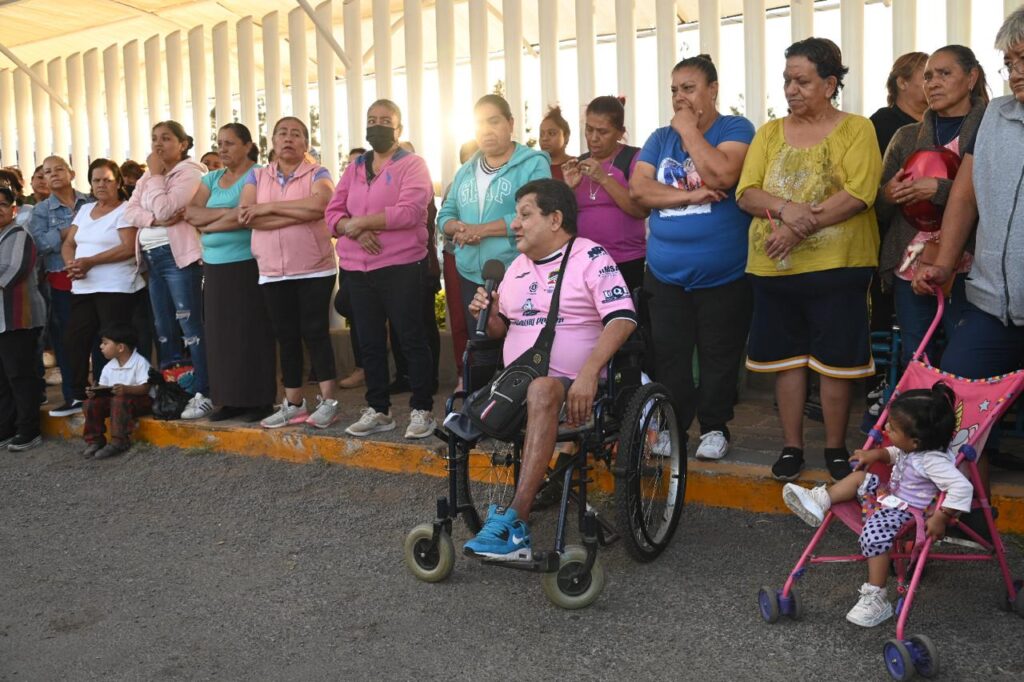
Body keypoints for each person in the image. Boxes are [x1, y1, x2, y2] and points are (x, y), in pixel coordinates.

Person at [462, 179, 637, 560]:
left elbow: (622, 319)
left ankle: (516, 521)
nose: (514, 224)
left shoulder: (590, 257)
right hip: (517, 387)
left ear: (555, 219)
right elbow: (502, 331)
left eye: (525, 215)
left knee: (542, 389)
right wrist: (490, 315)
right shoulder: (515, 268)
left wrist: (589, 373)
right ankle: (475, 514)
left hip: (576, 388)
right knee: (466, 407)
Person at [736, 37, 883, 482]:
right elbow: (746, 193)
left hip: (838, 268)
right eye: (787, 80)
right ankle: (792, 447)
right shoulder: (767, 133)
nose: (791, 90)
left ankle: (835, 447)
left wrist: (798, 226)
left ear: (830, 84)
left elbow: (858, 193)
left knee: (836, 363)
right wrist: (785, 209)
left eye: (801, 81)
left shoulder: (857, 129)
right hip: (774, 270)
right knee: (786, 361)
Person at [630, 56, 755, 461]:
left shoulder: (735, 128)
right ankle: (673, 424)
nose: (679, 97)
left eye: (688, 88)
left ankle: (715, 427)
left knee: (719, 353)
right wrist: (691, 195)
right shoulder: (658, 138)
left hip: (723, 273)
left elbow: (721, 175)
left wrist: (688, 129)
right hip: (665, 273)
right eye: (674, 90)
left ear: (712, 90)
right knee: (670, 355)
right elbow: (639, 191)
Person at [913, 7, 1024, 466]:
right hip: (991, 304)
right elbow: (965, 195)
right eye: (1010, 63)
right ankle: (966, 505)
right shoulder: (995, 115)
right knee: (950, 415)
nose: (1015, 72)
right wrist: (944, 262)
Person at [781, 382, 972, 627]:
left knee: (874, 534)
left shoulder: (934, 461)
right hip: (890, 498)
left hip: (908, 514)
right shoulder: (914, 448)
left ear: (915, 441)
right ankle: (819, 501)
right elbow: (894, 453)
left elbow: (962, 487)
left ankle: (877, 596)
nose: (886, 428)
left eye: (893, 428)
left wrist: (942, 516)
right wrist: (876, 454)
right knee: (861, 477)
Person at [325, 100, 436, 439]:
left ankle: (422, 409)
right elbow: (333, 212)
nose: (377, 126)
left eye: (385, 121)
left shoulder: (413, 164)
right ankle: (378, 409)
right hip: (357, 268)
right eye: (372, 120)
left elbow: (410, 211)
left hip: (401, 266)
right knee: (369, 342)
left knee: (410, 338)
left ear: (399, 129)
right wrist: (353, 229)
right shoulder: (356, 167)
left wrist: (360, 223)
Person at [877, 46, 988, 368]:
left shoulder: (992, 131)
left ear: (971, 78)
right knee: (916, 356)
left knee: (966, 358)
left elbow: (997, 197)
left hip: (972, 265)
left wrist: (939, 189)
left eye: (944, 74)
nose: (933, 83)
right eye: (927, 76)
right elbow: (879, 206)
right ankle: (918, 403)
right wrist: (889, 194)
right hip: (912, 263)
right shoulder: (905, 136)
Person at [437, 94, 551, 376]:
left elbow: (536, 212)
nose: (486, 130)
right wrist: (459, 228)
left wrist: (481, 230)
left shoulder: (533, 163)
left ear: (510, 123)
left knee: (520, 349)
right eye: (479, 123)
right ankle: (483, 401)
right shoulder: (466, 170)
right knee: (482, 349)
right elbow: (445, 214)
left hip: (516, 271)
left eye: (494, 121)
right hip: (471, 274)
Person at [239, 116, 339, 429]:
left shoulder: (318, 172)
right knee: (286, 337)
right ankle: (294, 404)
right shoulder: (257, 175)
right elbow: (246, 215)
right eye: (282, 133)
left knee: (316, 332)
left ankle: (329, 402)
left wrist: (267, 208)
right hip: (272, 270)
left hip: (314, 268)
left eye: (296, 134)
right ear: (272, 141)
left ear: (306, 144)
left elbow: (320, 206)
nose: (288, 138)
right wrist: (299, 212)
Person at [184, 123, 276, 422]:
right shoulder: (211, 178)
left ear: (247, 146)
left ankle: (259, 400)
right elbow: (191, 213)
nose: (222, 149)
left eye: (230, 143)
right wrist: (228, 214)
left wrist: (210, 222)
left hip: (247, 263)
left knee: (251, 331)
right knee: (220, 334)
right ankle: (229, 399)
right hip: (214, 265)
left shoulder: (259, 174)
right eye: (219, 143)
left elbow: (246, 216)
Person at [122, 121, 210, 418]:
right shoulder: (149, 175)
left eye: (166, 138)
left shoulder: (191, 173)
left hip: (178, 257)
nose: (158, 144)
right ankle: (174, 391)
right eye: (154, 138)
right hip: (152, 258)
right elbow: (130, 211)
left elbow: (166, 208)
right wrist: (154, 220)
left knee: (191, 328)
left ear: (183, 144)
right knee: (164, 329)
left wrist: (158, 177)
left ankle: (203, 391)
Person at [60, 159, 146, 414]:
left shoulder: (125, 209)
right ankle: (77, 395)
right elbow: (69, 243)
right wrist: (72, 264)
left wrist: (90, 262)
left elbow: (128, 247)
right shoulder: (85, 210)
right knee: (74, 340)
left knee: (112, 342)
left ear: (118, 182)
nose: (101, 185)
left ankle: (110, 395)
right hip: (83, 287)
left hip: (116, 287)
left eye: (107, 180)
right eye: (96, 180)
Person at [562, 96, 647, 290]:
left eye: (602, 132)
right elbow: (562, 222)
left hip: (625, 261)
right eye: (589, 129)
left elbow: (641, 210)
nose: (593, 138)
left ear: (620, 133)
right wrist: (569, 189)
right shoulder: (579, 164)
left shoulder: (633, 158)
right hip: (584, 261)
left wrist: (604, 178)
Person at [29, 156, 90, 414]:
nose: (53, 174)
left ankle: (102, 393)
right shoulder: (41, 211)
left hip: (95, 275)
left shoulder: (90, 202)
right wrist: (71, 230)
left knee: (100, 337)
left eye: (59, 169)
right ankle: (73, 395)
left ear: (72, 173)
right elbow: (40, 244)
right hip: (60, 281)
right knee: (67, 341)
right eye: (47, 171)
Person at [0, 185, 45, 452]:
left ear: (13, 209)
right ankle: (7, 427)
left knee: (21, 376)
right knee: (2, 379)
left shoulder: (19, 235)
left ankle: (29, 430)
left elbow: (12, 271)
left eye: (2, 204)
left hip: (18, 319)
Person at [81, 324, 153, 460]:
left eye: (105, 343)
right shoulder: (109, 366)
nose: (101, 346)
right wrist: (94, 392)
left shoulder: (140, 362)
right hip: (117, 403)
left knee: (119, 400)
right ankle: (95, 440)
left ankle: (119, 441)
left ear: (120, 347)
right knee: (90, 403)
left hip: (141, 402)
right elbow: (103, 388)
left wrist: (126, 389)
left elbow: (145, 388)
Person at [440, 139, 479, 388]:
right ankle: (463, 375)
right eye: (466, 161)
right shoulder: (454, 187)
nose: (471, 165)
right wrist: (462, 230)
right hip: (456, 256)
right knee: (460, 319)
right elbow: (445, 222)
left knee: (490, 320)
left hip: (492, 260)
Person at [869, 52, 929, 157]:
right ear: (902, 83)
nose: (935, 83)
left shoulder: (941, 120)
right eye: (927, 77)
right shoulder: (883, 122)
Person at [539, 106, 574, 180]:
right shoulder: (535, 167)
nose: (545, 138)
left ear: (566, 136)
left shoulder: (574, 166)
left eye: (551, 133)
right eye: (541, 134)